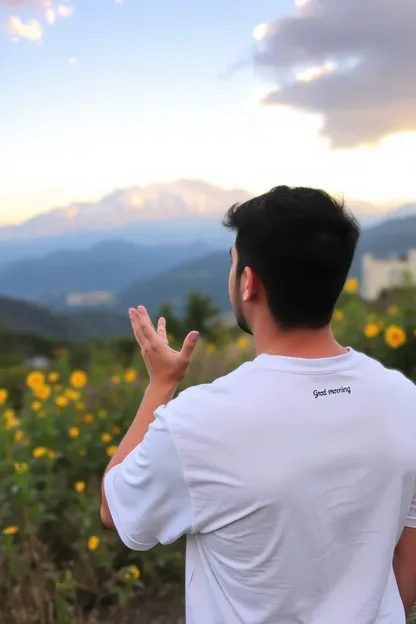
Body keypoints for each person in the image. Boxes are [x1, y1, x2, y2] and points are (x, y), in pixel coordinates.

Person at [100, 186, 416, 624]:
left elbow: (114, 508)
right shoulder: (404, 400)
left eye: (232, 263)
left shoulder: (198, 422)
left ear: (248, 283)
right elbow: (408, 552)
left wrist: (161, 384)